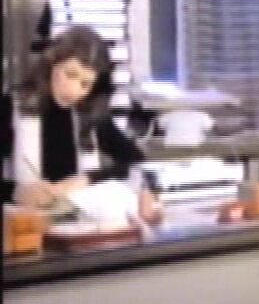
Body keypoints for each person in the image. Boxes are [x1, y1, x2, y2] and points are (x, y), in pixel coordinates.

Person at [3, 25, 159, 219]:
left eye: (85, 84)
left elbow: (136, 162)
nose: (74, 91)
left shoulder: (91, 114)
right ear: (52, 63)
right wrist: (16, 192)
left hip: (79, 225)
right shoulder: (11, 106)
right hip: (23, 225)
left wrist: (87, 179)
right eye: (70, 74)